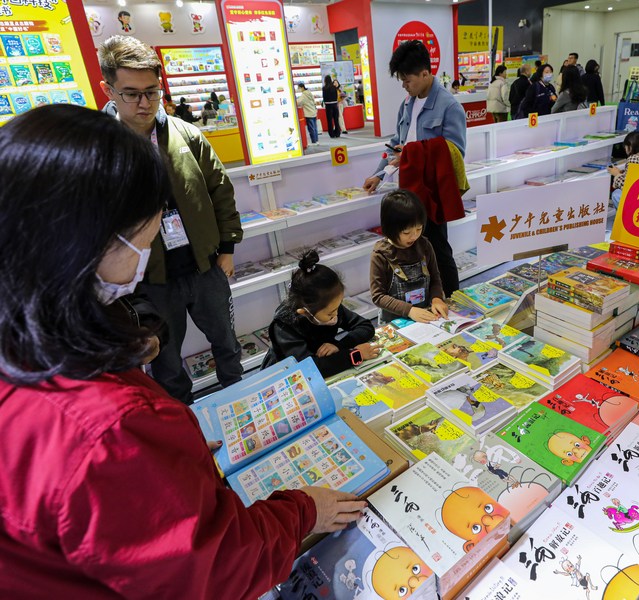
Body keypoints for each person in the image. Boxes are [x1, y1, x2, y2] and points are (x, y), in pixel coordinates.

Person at [0, 104, 366, 598]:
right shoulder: (108, 429)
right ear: (86, 242)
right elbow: (212, 568)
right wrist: (305, 509)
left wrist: (170, 459)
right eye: (144, 235)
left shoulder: (30, 337)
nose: (148, 250)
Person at [99, 36, 244, 404]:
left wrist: (226, 248)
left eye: (153, 91)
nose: (145, 103)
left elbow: (220, 191)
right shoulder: (99, 148)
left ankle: (240, 396)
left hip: (204, 266)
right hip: (150, 281)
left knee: (227, 341)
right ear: (109, 89)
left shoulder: (186, 135)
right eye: (132, 93)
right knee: (165, 359)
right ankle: (184, 418)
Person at [362, 40, 466, 296]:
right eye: (401, 80)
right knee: (411, 249)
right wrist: (378, 175)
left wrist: (409, 155)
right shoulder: (407, 104)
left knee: (438, 248)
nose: (404, 86)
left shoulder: (449, 106)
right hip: (408, 188)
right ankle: (422, 300)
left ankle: (453, 299)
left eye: (407, 80)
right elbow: (397, 145)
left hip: (432, 192)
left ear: (425, 73)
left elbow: (454, 153)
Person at [261, 250, 378, 377]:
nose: (336, 316)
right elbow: (309, 369)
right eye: (330, 314)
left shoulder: (328, 305)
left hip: (323, 362)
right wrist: (354, 354)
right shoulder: (283, 326)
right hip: (286, 375)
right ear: (305, 313)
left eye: (337, 308)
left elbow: (365, 326)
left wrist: (339, 346)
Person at [370, 189, 449, 324]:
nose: (414, 236)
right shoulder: (381, 255)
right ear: (390, 228)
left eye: (419, 229)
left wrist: (437, 298)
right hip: (396, 321)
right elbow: (378, 296)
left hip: (425, 315)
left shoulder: (424, 246)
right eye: (407, 232)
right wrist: (409, 310)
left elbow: (435, 277)